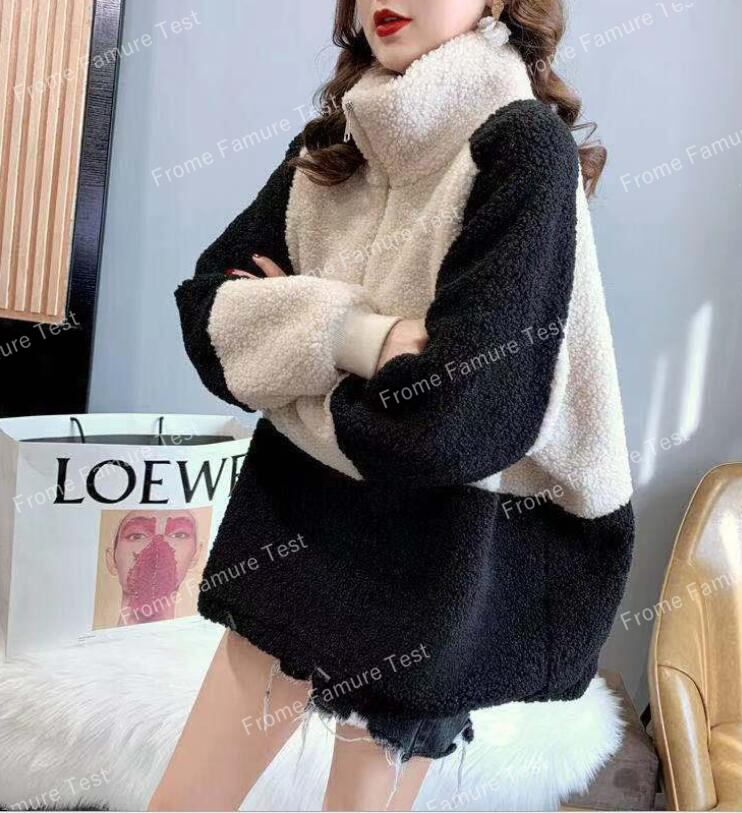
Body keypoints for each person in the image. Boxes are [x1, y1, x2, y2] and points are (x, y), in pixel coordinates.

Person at [150, 0, 635, 809]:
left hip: (443, 544)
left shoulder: (520, 147)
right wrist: (360, 337)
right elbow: (208, 315)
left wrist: (289, 356)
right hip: (296, 514)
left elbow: (456, 421)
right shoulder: (334, 145)